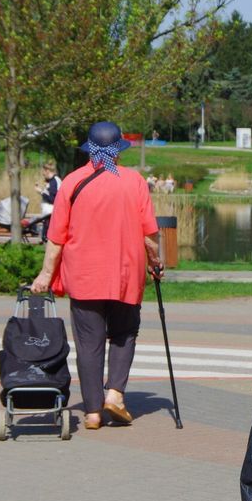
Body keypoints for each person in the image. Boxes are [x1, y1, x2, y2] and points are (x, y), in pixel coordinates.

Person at [30, 121, 163, 431]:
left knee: (88, 344)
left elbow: (56, 237)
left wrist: (45, 275)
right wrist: (155, 263)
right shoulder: (134, 182)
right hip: (125, 274)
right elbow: (150, 235)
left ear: (89, 149)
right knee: (124, 334)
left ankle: (92, 412)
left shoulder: (72, 183)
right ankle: (114, 393)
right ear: (117, 151)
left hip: (84, 275)